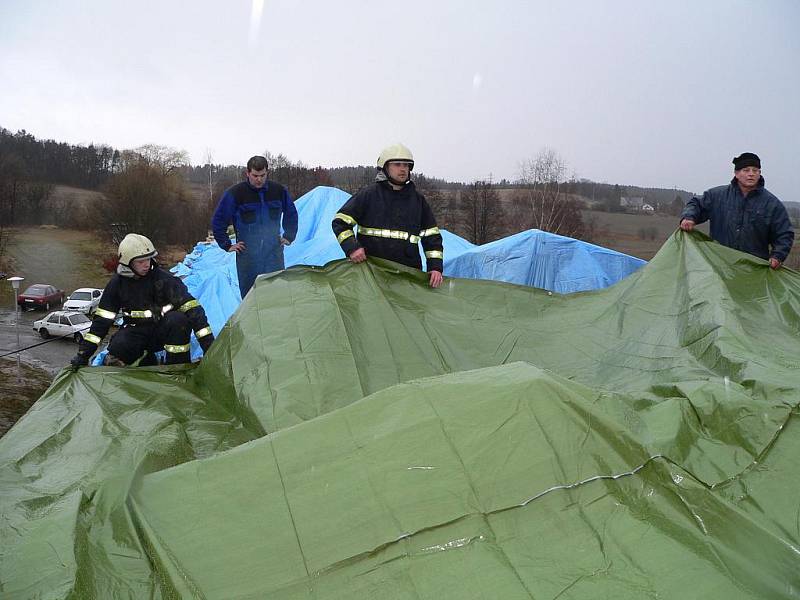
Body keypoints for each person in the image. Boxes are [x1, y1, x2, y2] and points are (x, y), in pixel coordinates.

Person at [70, 234, 215, 369]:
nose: (147, 265)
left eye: (149, 259)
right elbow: (101, 322)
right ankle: (145, 363)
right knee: (118, 346)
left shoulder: (163, 279)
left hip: (162, 329)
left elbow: (193, 310)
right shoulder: (117, 284)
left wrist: (209, 347)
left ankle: (176, 371)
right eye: (141, 261)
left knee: (179, 320)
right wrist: (83, 354)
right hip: (134, 331)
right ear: (128, 262)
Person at [331, 143, 444, 288]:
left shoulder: (418, 201)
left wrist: (435, 267)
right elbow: (340, 222)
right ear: (385, 167)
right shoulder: (369, 195)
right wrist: (352, 247)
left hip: (408, 277)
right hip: (371, 276)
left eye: (406, 165)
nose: (403, 169)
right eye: (397, 164)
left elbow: (431, 237)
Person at [680, 152, 794, 269]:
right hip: (719, 265)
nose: (751, 174)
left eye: (755, 170)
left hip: (753, 269)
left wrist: (778, 256)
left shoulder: (772, 204)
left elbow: (784, 233)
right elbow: (696, 204)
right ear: (736, 174)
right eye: (746, 170)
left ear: (759, 174)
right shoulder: (717, 196)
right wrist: (689, 217)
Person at [211, 155, 298, 297]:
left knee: (278, 295)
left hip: (273, 254)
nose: (259, 179)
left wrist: (289, 236)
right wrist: (227, 244)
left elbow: (291, 213)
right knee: (251, 298)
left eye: (263, 175)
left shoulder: (278, 191)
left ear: (267, 172)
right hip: (248, 256)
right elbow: (219, 220)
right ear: (248, 173)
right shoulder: (236, 194)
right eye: (255, 175)